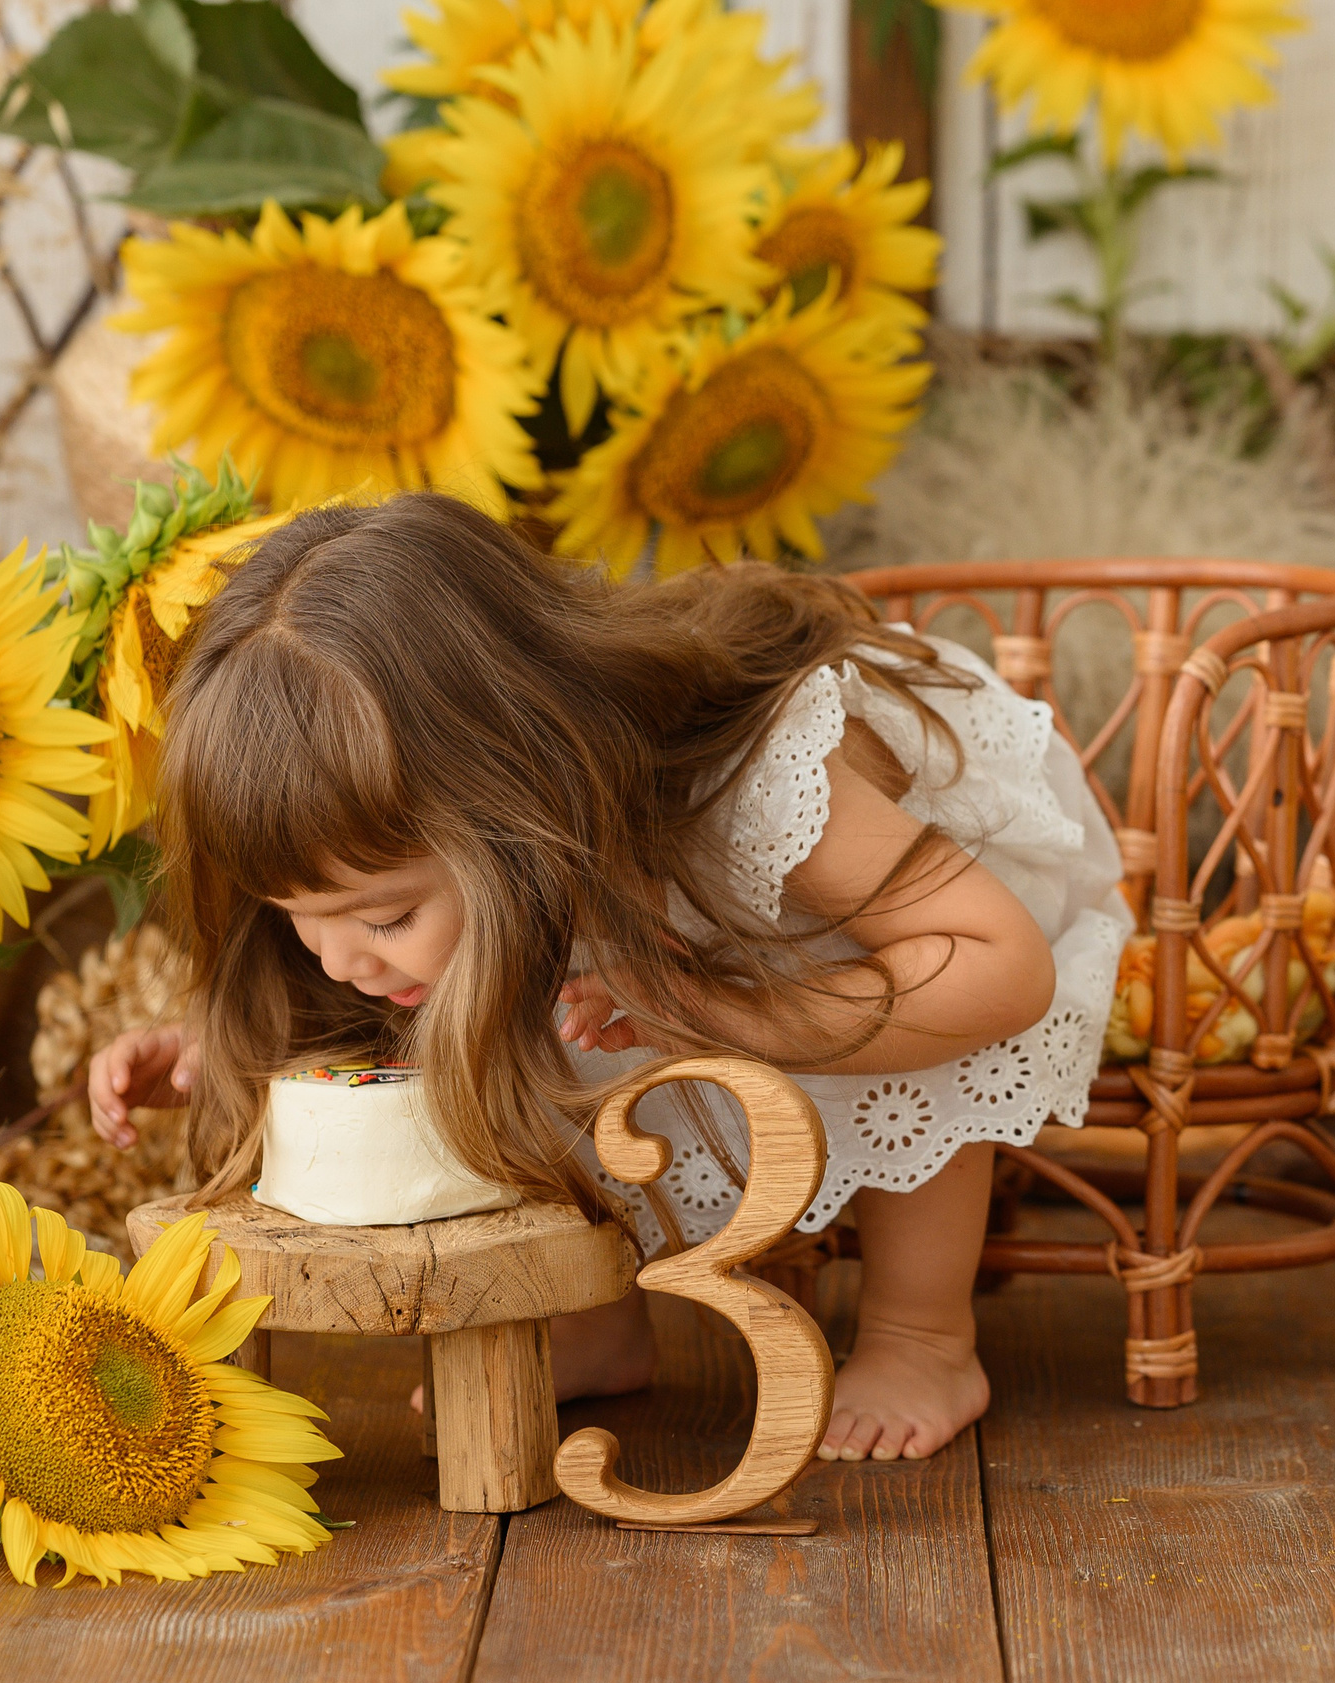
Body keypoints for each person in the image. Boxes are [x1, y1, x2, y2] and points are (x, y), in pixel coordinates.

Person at [88, 492, 1128, 1464]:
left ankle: (923, 1330)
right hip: (649, 905)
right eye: (295, 918)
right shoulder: (455, 850)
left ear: (516, 796)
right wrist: (212, 1046)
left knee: (884, 1014)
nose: (336, 960)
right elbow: (361, 958)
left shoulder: (768, 785)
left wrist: (716, 1005)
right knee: (519, 1011)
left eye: (382, 916)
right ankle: (596, 1313)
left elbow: (996, 970)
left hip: (925, 915)